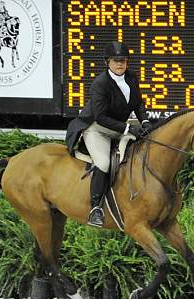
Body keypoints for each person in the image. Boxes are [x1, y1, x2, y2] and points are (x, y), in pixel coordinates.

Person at [65, 41, 151, 227]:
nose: (120, 64)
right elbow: (101, 117)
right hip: (98, 129)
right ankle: (95, 208)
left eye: (123, 60)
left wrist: (144, 121)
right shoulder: (100, 84)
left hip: (119, 128)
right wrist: (128, 128)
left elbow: (137, 103)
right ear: (107, 62)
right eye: (116, 60)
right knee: (103, 163)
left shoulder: (132, 78)